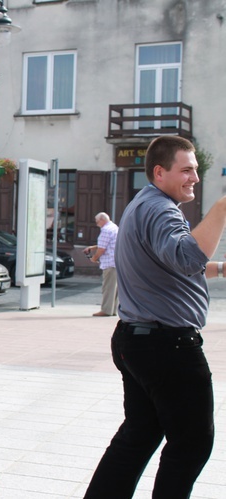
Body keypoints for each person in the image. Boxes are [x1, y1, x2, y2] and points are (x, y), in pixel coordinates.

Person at [84, 135, 226, 498]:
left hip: (139, 339)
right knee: (192, 443)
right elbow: (185, 257)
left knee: (140, 434)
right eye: (187, 170)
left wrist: (221, 269)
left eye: (195, 170)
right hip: (168, 346)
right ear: (160, 172)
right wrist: (223, 207)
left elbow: (173, 266)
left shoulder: (142, 205)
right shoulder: (161, 209)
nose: (194, 177)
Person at [83, 212, 118, 317]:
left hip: (109, 263)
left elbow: (102, 248)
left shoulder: (106, 230)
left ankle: (106, 310)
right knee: (114, 289)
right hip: (116, 262)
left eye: (97, 221)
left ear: (102, 220)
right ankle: (113, 310)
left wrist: (94, 258)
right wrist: (92, 247)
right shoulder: (114, 228)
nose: (96, 223)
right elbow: (106, 244)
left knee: (108, 288)